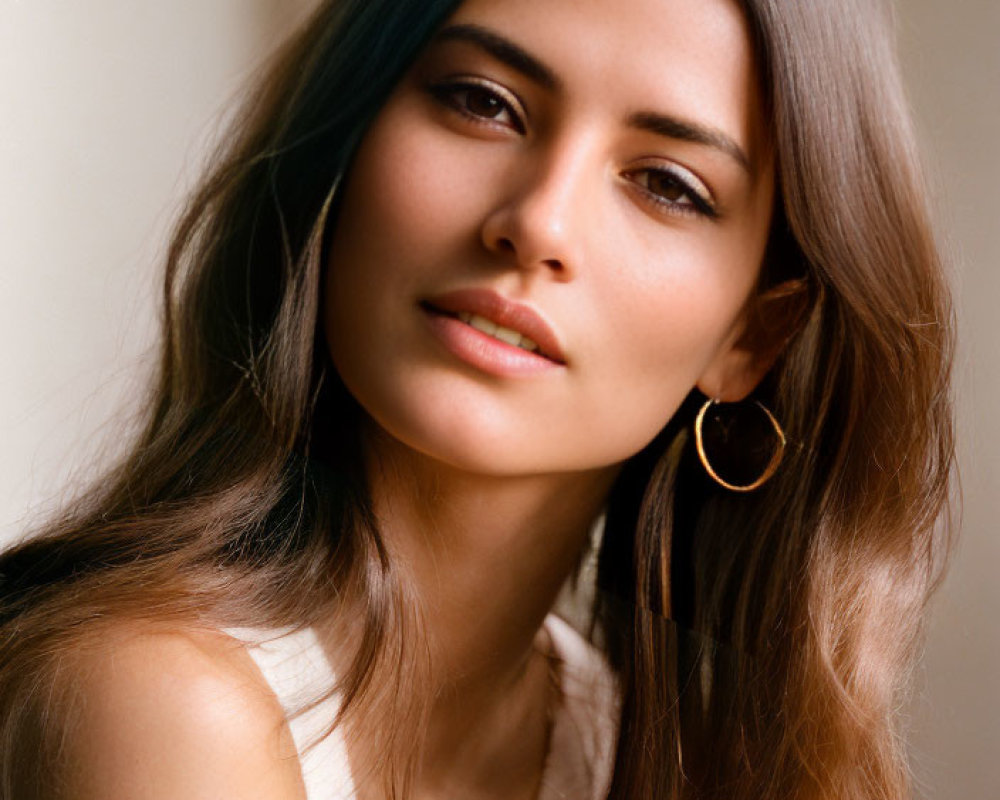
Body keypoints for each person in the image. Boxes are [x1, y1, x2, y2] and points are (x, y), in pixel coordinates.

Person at [0, 0, 954, 798]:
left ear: (753, 337)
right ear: (346, 137)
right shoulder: (153, 695)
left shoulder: (645, 749)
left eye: (667, 184)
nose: (537, 220)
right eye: (483, 103)